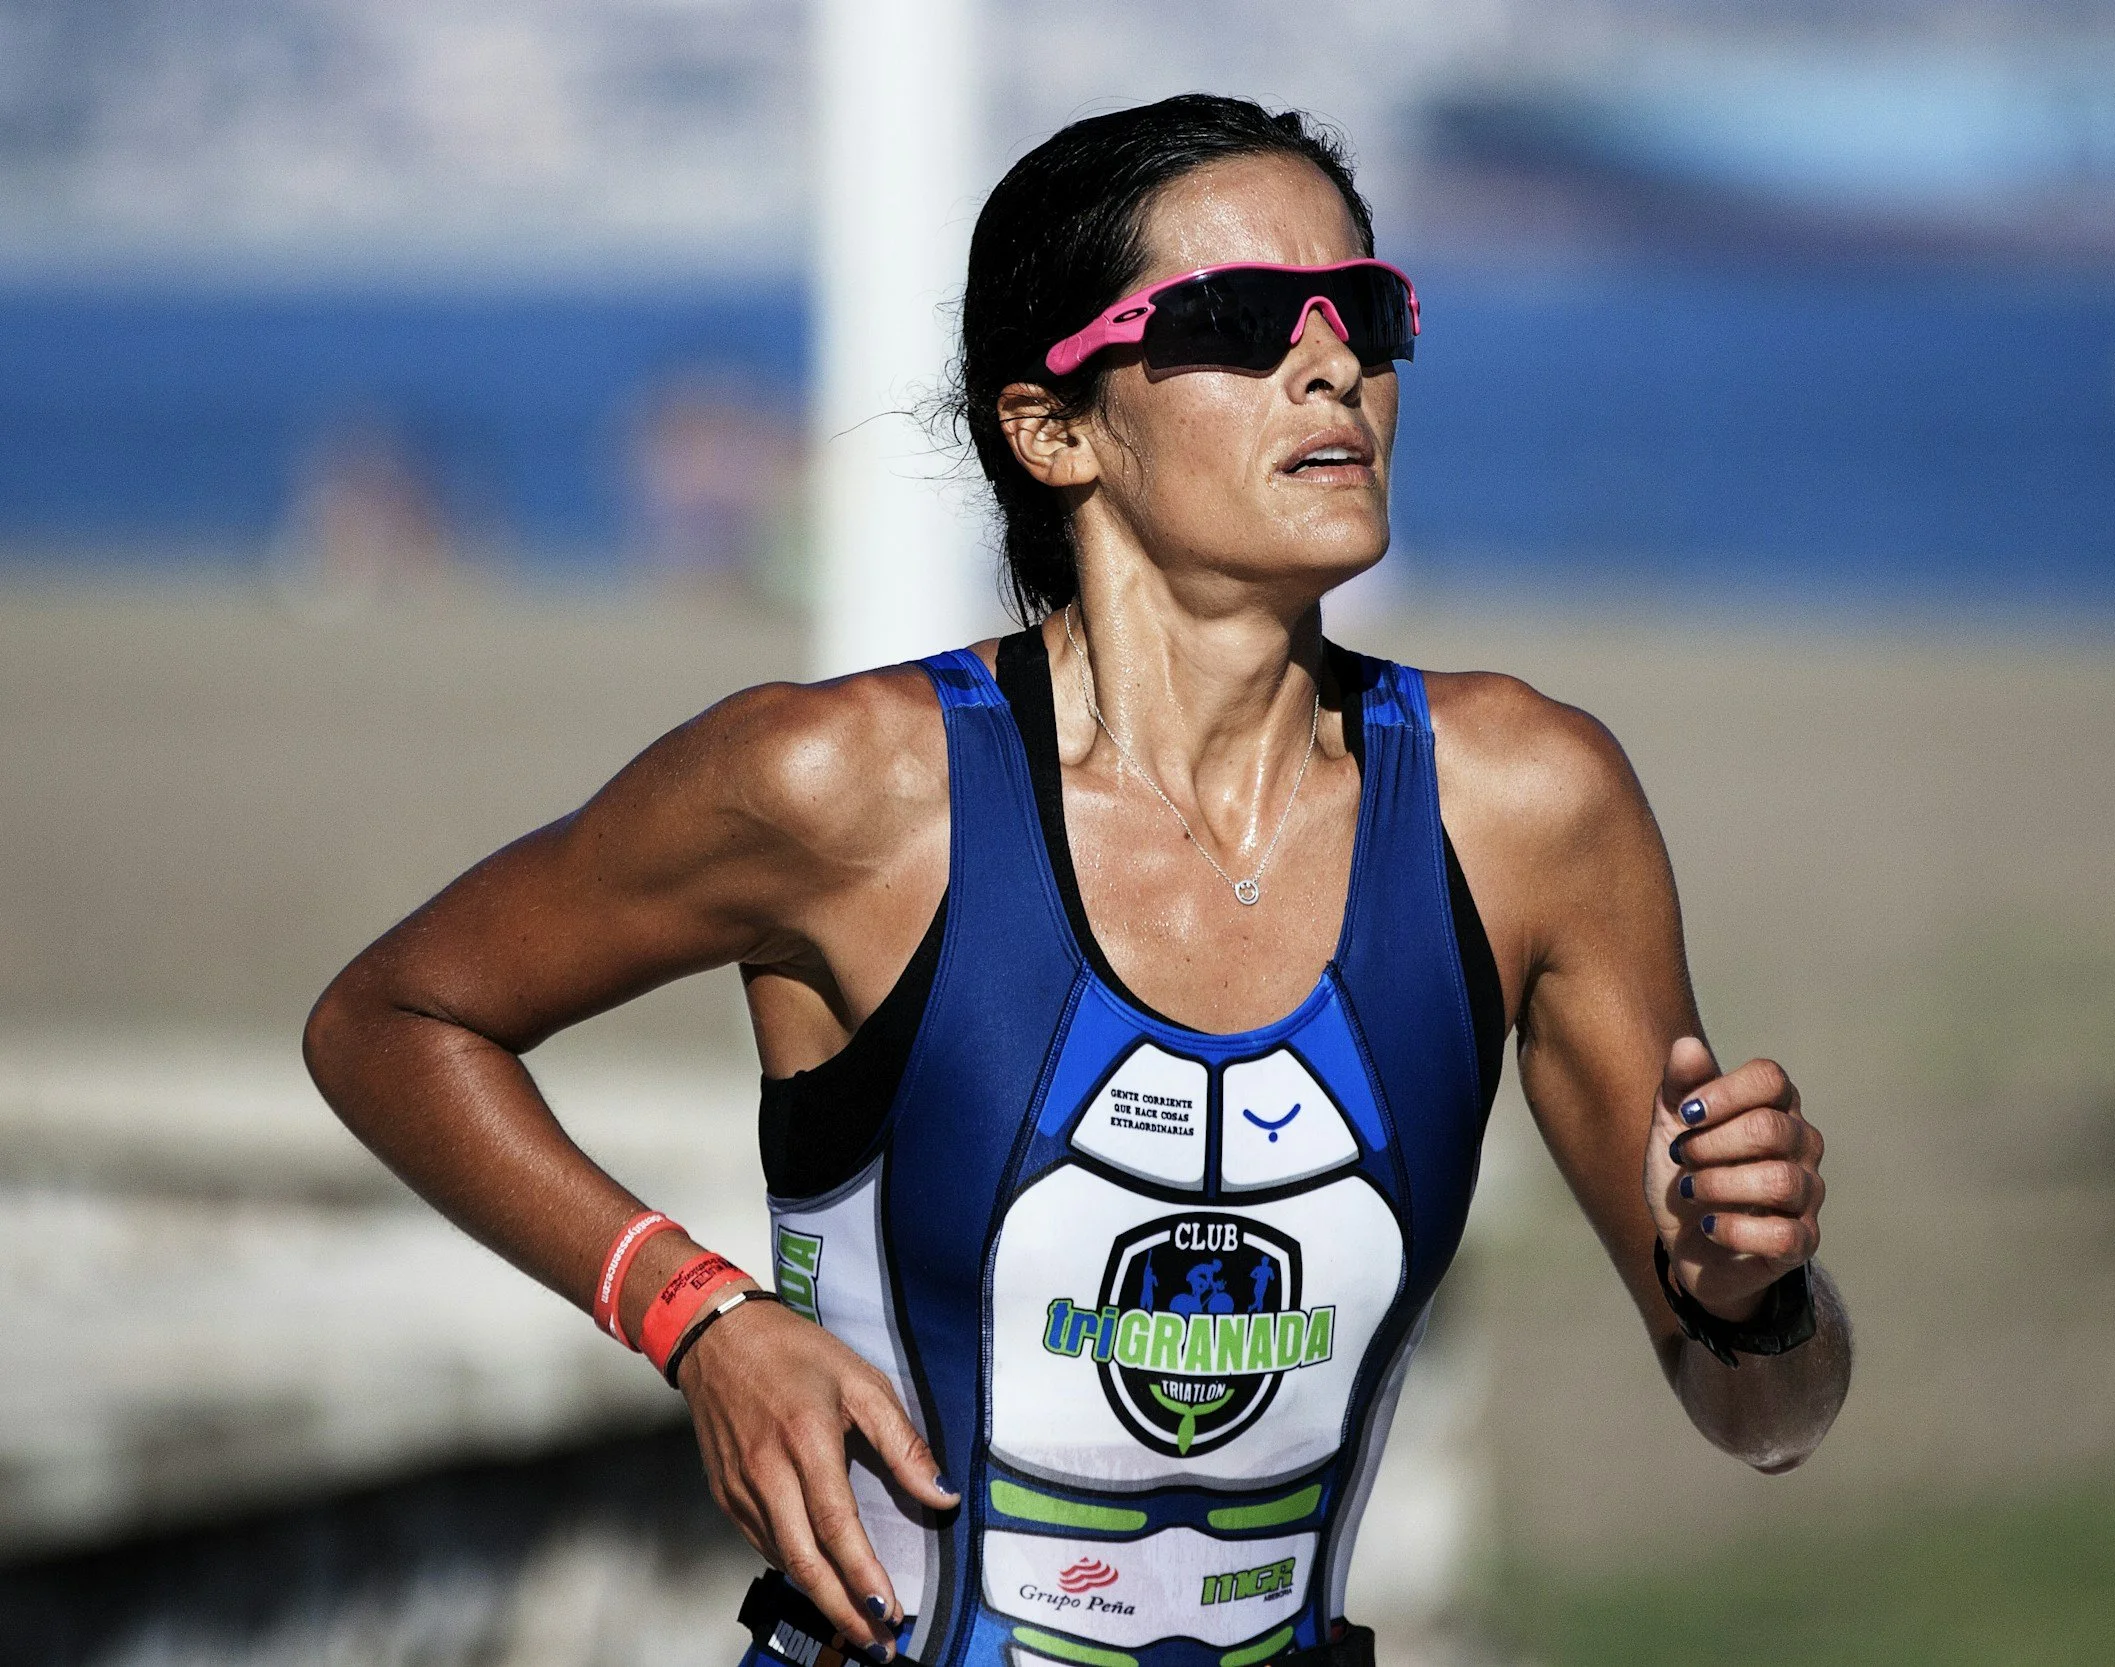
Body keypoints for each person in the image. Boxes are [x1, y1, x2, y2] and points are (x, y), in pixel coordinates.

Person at [304, 94, 1850, 1667]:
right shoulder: (848, 789)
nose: (1334, 365)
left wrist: (1756, 1295)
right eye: (1241, 321)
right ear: (1054, 428)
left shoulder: (1525, 805)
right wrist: (696, 1313)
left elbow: (1769, 1418)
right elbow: (391, 1016)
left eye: (1367, 314)